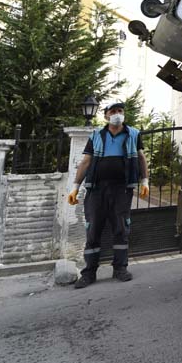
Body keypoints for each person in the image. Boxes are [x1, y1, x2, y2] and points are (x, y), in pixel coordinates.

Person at [67, 102, 149, 289]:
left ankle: (120, 268)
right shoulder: (96, 135)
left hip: (122, 189)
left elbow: (141, 158)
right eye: (113, 111)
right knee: (93, 228)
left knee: (121, 228)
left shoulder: (134, 134)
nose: (117, 114)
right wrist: (75, 187)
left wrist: (145, 181)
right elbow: (86, 162)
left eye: (120, 111)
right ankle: (89, 272)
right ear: (106, 116)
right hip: (96, 189)